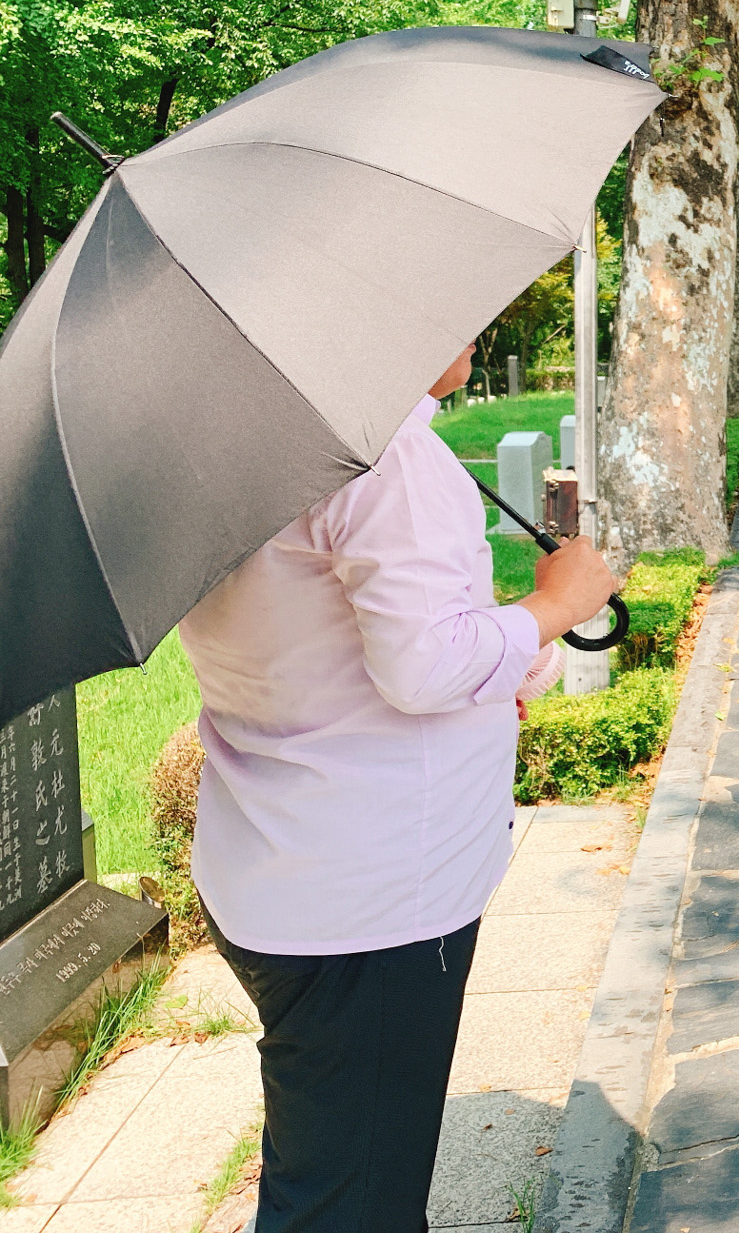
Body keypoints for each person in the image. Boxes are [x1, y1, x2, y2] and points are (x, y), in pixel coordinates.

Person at [176, 341, 621, 1233]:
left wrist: (511, 662)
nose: (478, 323)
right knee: (352, 1203)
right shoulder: (388, 463)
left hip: (273, 866)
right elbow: (424, 667)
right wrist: (558, 605)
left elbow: (326, 649)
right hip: (373, 903)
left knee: (332, 1167)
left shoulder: (238, 447)